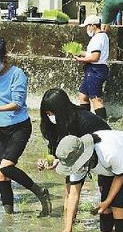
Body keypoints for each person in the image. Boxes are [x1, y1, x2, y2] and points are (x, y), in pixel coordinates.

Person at [0, 37, 52, 216]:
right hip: (1, 128)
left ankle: (39, 191)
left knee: (6, 166)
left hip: (19, 127)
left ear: (4, 58)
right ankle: (9, 216)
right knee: (1, 174)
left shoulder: (17, 74)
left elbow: (17, 103)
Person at [55, 130, 123, 232]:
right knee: (105, 207)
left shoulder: (108, 153)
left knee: (116, 203)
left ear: (86, 157)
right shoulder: (76, 162)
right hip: (112, 168)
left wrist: (107, 202)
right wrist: (68, 227)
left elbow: (120, 177)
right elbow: (73, 194)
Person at [38, 88, 111, 216]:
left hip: (103, 152)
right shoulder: (51, 124)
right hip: (77, 154)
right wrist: (48, 160)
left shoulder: (82, 120)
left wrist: (59, 162)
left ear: (61, 110)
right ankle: (69, 223)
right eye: (47, 114)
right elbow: (54, 149)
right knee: (70, 191)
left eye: (52, 113)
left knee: (106, 194)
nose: (50, 117)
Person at [76, 15, 109, 119]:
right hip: (95, 69)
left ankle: (101, 123)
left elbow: (95, 57)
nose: (87, 29)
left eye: (88, 26)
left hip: (95, 70)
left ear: (93, 25)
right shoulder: (103, 36)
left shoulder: (97, 38)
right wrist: (79, 52)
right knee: (83, 95)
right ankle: (85, 119)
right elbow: (92, 54)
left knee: (95, 98)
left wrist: (81, 60)